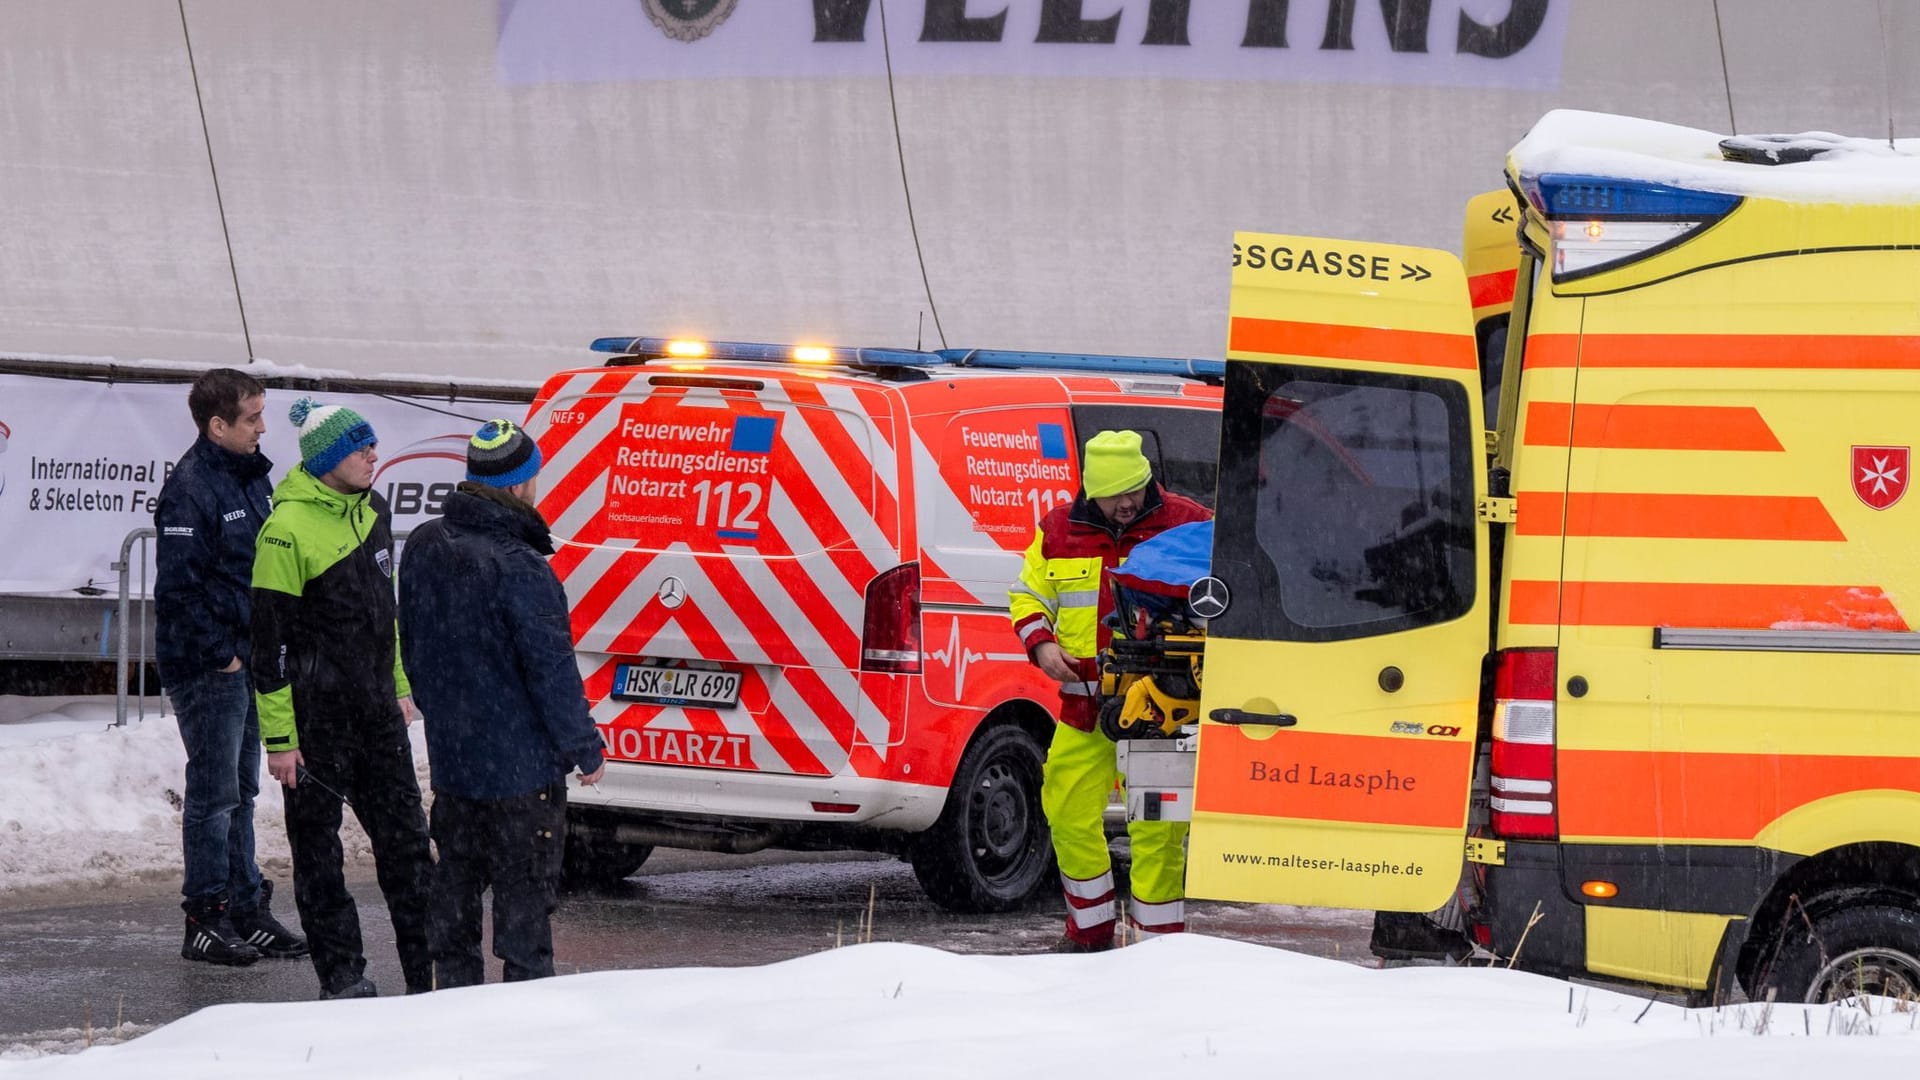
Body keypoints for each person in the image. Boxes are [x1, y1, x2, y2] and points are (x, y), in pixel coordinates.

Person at [398, 419, 607, 987]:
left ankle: (452, 1018)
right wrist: (584, 747)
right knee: (524, 923)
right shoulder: (521, 565)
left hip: (457, 765)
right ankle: (519, 1041)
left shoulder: (423, 545)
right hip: (521, 776)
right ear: (519, 485)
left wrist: (446, 714)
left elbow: (413, 646)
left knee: (455, 907)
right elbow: (551, 670)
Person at [251, 397, 433, 1000]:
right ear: (327, 458)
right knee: (320, 859)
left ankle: (429, 979)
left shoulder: (374, 509)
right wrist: (281, 740)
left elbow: (390, 613)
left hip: (377, 715)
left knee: (408, 849)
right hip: (315, 726)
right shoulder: (285, 531)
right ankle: (343, 979)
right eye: (361, 448)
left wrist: (400, 685)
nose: (374, 456)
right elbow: (269, 645)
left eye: (373, 445)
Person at [1009, 430, 1212, 953]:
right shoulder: (1057, 530)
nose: (1126, 504)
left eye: (1135, 491)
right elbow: (1029, 594)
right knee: (1066, 811)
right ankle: (1090, 934)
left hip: (1162, 709)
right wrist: (1040, 644)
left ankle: (1160, 945)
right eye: (1114, 494)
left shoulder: (1189, 522)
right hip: (1083, 705)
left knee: (1158, 830)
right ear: (1090, 492)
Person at [154, 368, 307, 966]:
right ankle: (206, 916)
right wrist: (224, 655)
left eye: (263, 414)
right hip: (208, 667)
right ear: (217, 425)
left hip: (246, 661)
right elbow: (179, 591)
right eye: (252, 418)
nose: (263, 428)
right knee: (215, 795)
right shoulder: (192, 487)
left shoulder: (248, 477)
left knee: (243, 791)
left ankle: (246, 906)